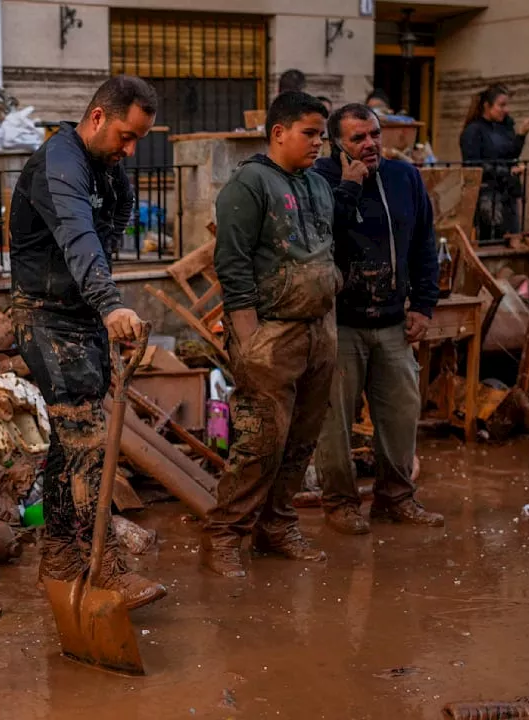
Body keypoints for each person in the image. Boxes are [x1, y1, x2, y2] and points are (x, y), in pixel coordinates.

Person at [9, 76, 167, 608]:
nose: (130, 149)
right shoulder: (60, 161)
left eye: (138, 139)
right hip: (47, 316)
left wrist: (100, 306)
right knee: (85, 440)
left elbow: (115, 222)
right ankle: (97, 565)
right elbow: (78, 234)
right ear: (97, 116)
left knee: (77, 441)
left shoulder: (108, 169)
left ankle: (60, 553)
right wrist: (110, 303)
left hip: (82, 318)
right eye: (125, 136)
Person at [203, 92, 339, 578]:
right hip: (272, 336)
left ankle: (276, 526)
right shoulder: (248, 184)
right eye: (310, 133)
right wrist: (251, 339)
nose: (319, 143)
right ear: (278, 132)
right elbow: (232, 266)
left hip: (320, 331)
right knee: (260, 442)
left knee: (301, 440)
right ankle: (224, 536)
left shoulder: (318, 184)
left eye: (322, 134)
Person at [311, 103, 445, 535]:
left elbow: (425, 242)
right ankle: (341, 503)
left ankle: (396, 497)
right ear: (337, 143)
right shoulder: (321, 181)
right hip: (341, 322)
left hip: (392, 320)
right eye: (358, 138)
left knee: (402, 412)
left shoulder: (404, 177)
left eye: (374, 134)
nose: (369, 144)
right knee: (334, 420)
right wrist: (348, 188)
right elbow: (317, 239)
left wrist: (423, 305)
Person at [461, 84, 529, 240]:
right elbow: (473, 164)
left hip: (508, 190)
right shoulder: (474, 130)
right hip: (487, 195)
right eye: (501, 105)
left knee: (513, 238)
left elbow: (510, 153)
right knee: (493, 239)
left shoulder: (503, 128)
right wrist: (506, 171)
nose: (506, 110)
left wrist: (521, 135)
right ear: (487, 106)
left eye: (506, 105)